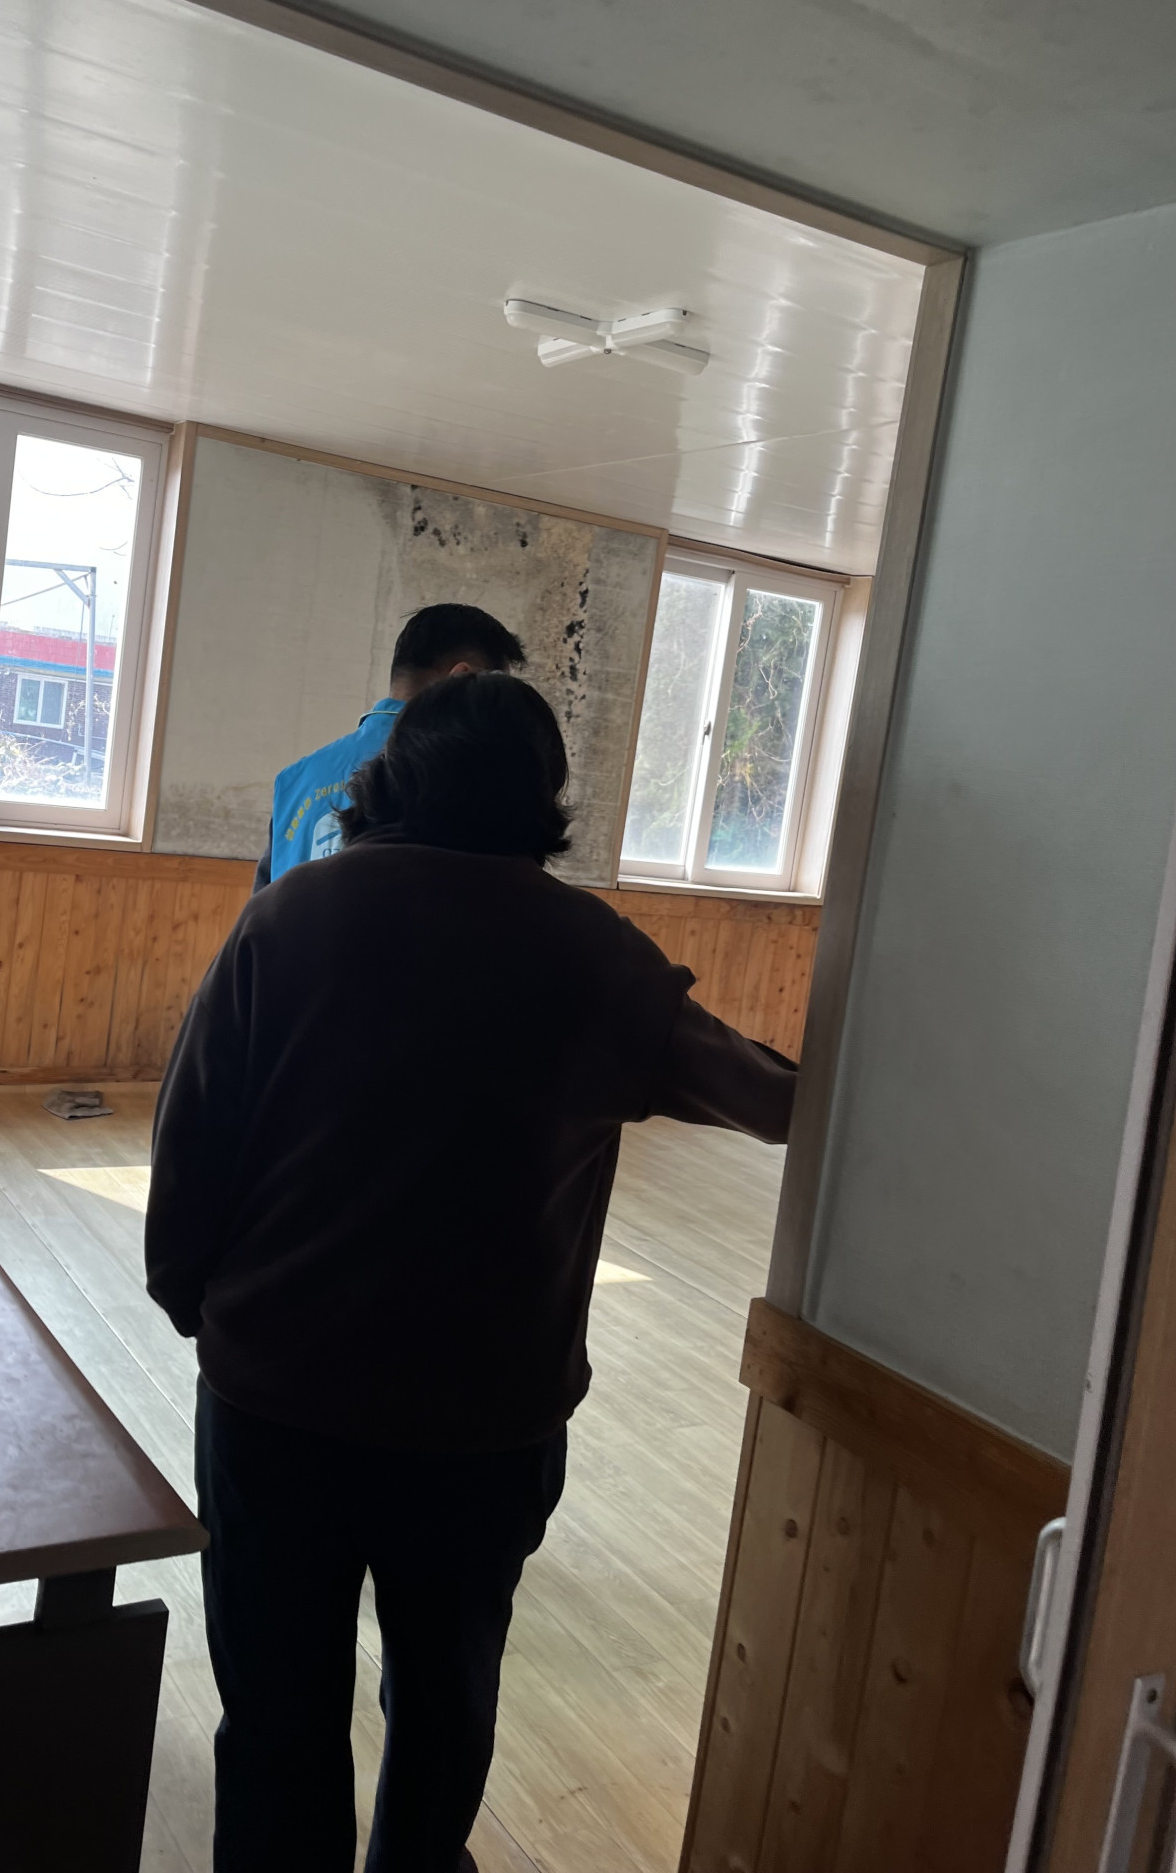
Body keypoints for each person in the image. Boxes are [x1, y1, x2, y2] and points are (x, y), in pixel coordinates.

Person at [146, 674, 796, 1873]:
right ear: (542, 797)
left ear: (390, 779)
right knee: (446, 1695)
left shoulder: (289, 918)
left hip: (275, 1394)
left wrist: (193, 1298)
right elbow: (773, 1099)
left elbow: (192, 1135)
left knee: (276, 1702)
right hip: (483, 1416)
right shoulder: (594, 953)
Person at [253, 601, 526, 890]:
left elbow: (261, 906)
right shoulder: (465, 775)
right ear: (460, 677)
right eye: (494, 690)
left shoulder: (295, 780)